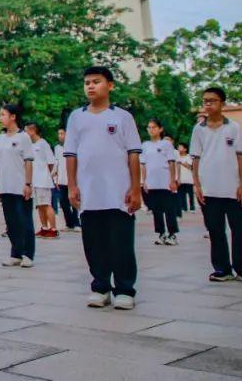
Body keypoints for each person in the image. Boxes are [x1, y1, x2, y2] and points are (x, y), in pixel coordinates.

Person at [66, 66, 143, 309]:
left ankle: (124, 289)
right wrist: (72, 186)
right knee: (93, 242)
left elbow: (133, 154)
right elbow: (71, 154)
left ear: (110, 85)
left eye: (96, 81)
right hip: (89, 192)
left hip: (118, 192)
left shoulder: (122, 117)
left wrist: (136, 188)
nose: (90, 86)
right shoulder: (76, 117)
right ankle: (100, 286)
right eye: (87, 82)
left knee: (121, 242)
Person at [192, 86, 242, 283]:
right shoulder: (198, 129)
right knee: (215, 230)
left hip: (232, 188)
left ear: (222, 104)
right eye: (205, 101)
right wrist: (197, 185)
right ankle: (222, 269)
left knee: (238, 229)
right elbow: (195, 158)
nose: (208, 104)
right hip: (209, 188)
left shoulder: (233, 127)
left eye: (212, 100)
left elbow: (241, 157)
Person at [0, 104, 34, 268]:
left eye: (3, 114)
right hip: (5, 186)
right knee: (11, 222)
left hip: (20, 186)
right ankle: (15, 253)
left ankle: (28, 254)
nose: (0, 118)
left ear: (13, 117)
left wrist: (28, 183)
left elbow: (28, 162)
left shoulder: (23, 137)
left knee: (24, 221)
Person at [142, 118, 179, 245]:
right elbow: (143, 164)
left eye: (154, 127)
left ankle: (172, 234)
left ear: (160, 129)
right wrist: (144, 181)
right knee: (156, 210)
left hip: (165, 182)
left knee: (169, 209)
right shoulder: (145, 145)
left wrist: (173, 180)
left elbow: (171, 162)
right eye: (149, 127)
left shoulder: (166, 144)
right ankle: (161, 233)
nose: (151, 130)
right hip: (152, 183)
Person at [25, 123, 58, 239]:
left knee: (46, 204)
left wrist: (46, 174)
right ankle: (44, 228)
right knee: (39, 206)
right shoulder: (30, 145)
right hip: (34, 180)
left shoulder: (43, 143)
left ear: (33, 130)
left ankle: (53, 229)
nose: (25, 134)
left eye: (26, 131)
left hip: (43, 180)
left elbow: (51, 162)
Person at [54, 128, 80, 232]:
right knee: (63, 202)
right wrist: (55, 178)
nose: (60, 136)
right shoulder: (57, 148)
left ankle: (77, 223)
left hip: (73, 179)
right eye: (59, 133)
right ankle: (69, 223)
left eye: (62, 133)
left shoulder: (75, 147)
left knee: (74, 202)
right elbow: (57, 164)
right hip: (62, 180)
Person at [177, 143, 195, 215]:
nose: (179, 148)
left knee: (190, 194)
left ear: (185, 149)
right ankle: (184, 207)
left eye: (181, 147)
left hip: (189, 179)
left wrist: (181, 161)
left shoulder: (189, 157)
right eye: (178, 147)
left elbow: (190, 166)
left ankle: (192, 207)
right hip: (180, 179)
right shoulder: (176, 156)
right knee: (181, 194)